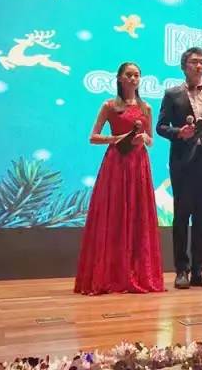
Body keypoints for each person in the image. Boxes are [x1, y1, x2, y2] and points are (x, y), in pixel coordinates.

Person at [74, 62, 165, 295]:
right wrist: (117, 138)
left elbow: (151, 140)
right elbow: (93, 137)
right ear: (120, 78)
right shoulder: (109, 106)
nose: (133, 79)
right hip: (116, 163)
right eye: (129, 75)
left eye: (137, 75)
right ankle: (111, 274)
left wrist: (144, 138)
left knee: (137, 216)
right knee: (114, 215)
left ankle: (137, 273)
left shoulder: (146, 107)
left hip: (139, 164)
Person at [156, 47, 202, 289]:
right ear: (184, 66)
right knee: (182, 216)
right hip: (182, 162)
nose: (199, 66)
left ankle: (199, 271)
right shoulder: (172, 94)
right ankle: (181, 270)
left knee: (201, 218)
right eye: (194, 62)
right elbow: (161, 127)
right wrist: (178, 132)